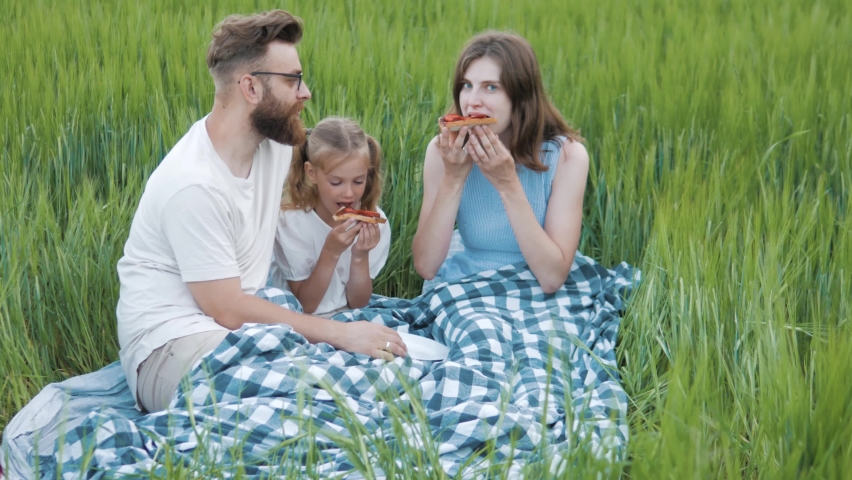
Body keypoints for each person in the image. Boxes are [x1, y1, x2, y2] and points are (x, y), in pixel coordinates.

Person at [116, 10, 406, 414]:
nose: (306, 93)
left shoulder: (275, 145)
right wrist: (339, 333)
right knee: (303, 403)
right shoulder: (193, 184)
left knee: (356, 391)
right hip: (172, 346)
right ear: (250, 88)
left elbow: (332, 165)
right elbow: (228, 308)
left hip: (242, 331)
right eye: (293, 80)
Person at [412, 31, 589, 294]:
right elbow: (426, 266)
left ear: (521, 96)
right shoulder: (443, 152)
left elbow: (551, 278)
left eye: (491, 87)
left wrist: (507, 183)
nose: (472, 102)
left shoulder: (567, 157)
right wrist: (453, 177)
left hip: (535, 289)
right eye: (466, 85)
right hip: (465, 284)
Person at [270, 117, 391, 317]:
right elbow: (306, 306)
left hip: (347, 317)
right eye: (336, 182)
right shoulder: (290, 222)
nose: (349, 193)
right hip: (299, 318)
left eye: (358, 181)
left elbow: (358, 304)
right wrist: (331, 252)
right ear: (311, 173)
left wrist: (360, 256)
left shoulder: (376, 222)